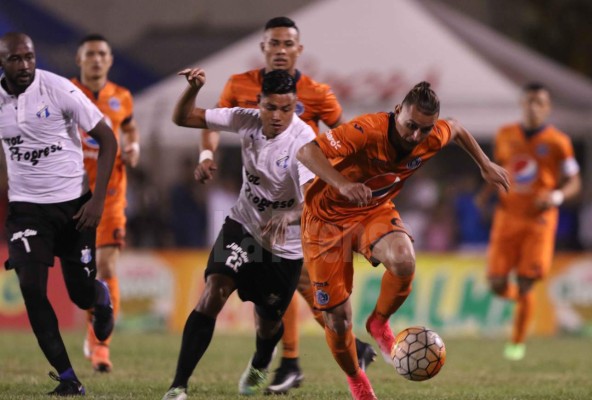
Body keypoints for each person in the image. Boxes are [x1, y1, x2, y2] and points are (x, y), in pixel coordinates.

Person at [296, 81, 510, 399]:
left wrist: (485, 164)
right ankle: (357, 378)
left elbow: (457, 128)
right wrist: (341, 184)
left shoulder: (431, 136)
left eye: (424, 129)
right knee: (338, 323)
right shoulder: (366, 131)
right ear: (398, 112)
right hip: (325, 221)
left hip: (371, 210)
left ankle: (379, 323)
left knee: (404, 260)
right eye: (411, 126)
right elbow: (306, 151)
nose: (415, 136)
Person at [196, 16, 375, 394]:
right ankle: (320, 354)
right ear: (263, 48)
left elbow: (346, 139)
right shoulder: (238, 85)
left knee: (298, 281)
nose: (280, 50)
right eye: (273, 43)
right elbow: (210, 121)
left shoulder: (319, 93)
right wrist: (206, 154)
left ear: (299, 49)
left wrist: (339, 185)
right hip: (260, 204)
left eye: (287, 44)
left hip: (305, 202)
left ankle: (299, 360)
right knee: (298, 282)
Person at [162, 68, 316, 400]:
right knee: (213, 292)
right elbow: (183, 117)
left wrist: (288, 215)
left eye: (286, 109)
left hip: (283, 247)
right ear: (258, 103)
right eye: (271, 107)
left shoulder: (304, 142)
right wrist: (193, 90)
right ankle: (178, 386)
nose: (277, 116)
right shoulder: (244, 119)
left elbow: (314, 205)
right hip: (243, 226)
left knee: (269, 323)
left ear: (296, 107)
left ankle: (261, 362)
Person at [0, 32, 117, 395]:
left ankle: (99, 298)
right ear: (2, 62)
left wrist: (97, 201)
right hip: (26, 211)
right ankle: (68, 378)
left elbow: (108, 139)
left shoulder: (58, 88)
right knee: (32, 289)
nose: (25, 65)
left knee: (79, 294)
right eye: (16, 59)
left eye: (30, 57)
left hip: (73, 207)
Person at [478, 82, 581, 361]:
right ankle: (521, 301)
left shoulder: (559, 142)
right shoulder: (505, 135)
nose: (533, 106)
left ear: (547, 107)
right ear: (521, 103)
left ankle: (517, 342)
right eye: (529, 101)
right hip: (507, 217)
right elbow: (499, 171)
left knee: (526, 281)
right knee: (497, 283)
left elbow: (574, 181)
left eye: (539, 102)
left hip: (539, 220)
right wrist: (485, 195)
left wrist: (557, 196)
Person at [71, 33, 141, 372]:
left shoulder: (122, 97)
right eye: (91, 54)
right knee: (84, 273)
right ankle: (91, 327)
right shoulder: (64, 91)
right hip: (71, 194)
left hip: (111, 195)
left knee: (107, 267)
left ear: (110, 60)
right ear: (79, 59)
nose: (97, 59)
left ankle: (100, 346)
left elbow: (129, 129)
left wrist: (133, 147)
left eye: (102, 54)